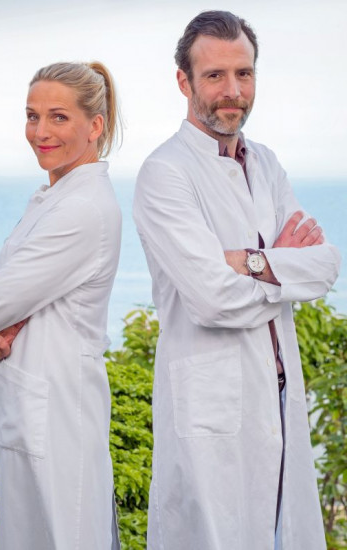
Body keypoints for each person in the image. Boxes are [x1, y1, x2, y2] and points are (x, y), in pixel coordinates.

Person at [133, 11, 340, 550]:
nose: (233, 91)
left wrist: (246, 262)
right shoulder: (165, 173)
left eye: (243, 74)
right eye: (215, 75)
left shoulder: (266, 163)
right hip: (211, 407)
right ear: (184, 82)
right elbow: (212, 300)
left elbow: (324, 266)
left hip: (278, 394)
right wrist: (279, 264)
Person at [0, 61, 122, 550]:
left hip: (58, 410)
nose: (40, 132)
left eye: (58, 117)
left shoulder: (81, 209)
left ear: (95, 126)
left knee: (68, 534)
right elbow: (7, 303)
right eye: (32, 116)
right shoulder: (55, 199)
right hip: (31, 407)